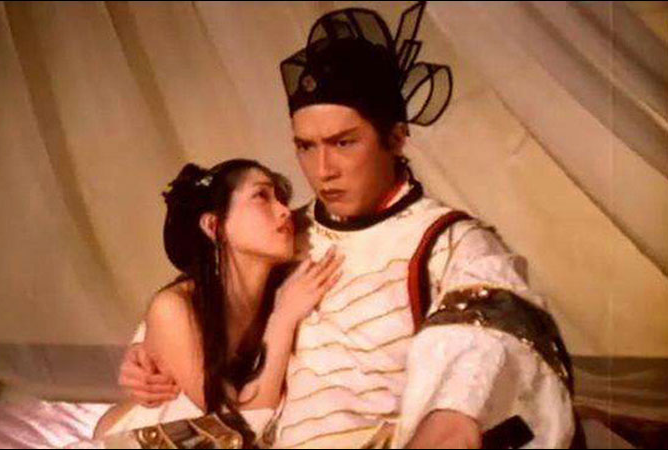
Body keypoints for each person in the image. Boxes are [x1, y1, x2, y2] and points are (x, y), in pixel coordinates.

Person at [118, 3, 578, 448]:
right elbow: (199, 311)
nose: (323, 170)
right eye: (305, 147)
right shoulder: (285, 236)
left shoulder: (450, 242)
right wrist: (149, 361)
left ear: (395, 138)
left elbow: (492, 347)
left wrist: (452, 420)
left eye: (343, 143)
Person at [94, 159, 343, 439]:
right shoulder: (175, 307)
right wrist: (283, 320)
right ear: (214, 225)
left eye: (281, 199)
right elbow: (235, 426)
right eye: (261, 196)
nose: (285, 211)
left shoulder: (282, 285)